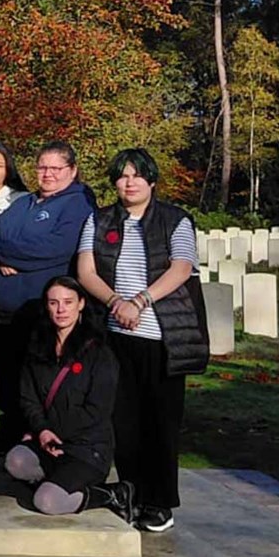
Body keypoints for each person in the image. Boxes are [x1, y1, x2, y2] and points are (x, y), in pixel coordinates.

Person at [76, 148, 207, 533]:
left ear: (151, 180)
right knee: (123, 421)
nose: (129, 182)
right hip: (115, 335)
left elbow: (181, 268)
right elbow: (87, 271)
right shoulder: (99, 220)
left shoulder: (175, 220)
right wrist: (116, 303)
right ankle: (131, 492)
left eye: (136, 175)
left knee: (161, 423)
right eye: (122, 176)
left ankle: (160, 502)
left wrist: (139, 301)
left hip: (162, 337)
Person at [0, 141, 94, 457]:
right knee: (7, 388)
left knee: (32, 388)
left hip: (38, 317)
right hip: (1, 316)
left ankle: (34, 449)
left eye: (56, 168)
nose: (47, 174)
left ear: (72, 170)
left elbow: (55, 248)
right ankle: (7, 450)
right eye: (42, 167)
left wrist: (3, 254)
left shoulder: (77, 204)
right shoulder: (24, 203)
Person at [5, 276, 135, 521]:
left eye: (68, 302)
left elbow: (97, 410)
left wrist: (52, 432)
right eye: (53, 303)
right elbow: (28, 398)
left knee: (47, 502)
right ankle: (57, 481)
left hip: (86, 447)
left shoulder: (99, 353)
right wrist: (42, 431)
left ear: (81, 304)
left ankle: (110, 494)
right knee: (16, 461)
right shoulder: (37, 347)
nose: (61, 309)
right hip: (48, 438)